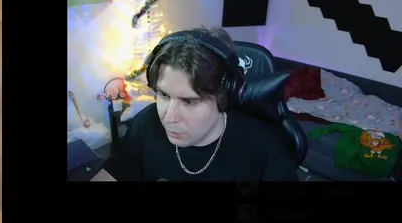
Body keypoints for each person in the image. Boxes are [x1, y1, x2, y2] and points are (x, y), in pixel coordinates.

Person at [92, 27, 298, 182]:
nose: (169, 118)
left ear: (223, 95)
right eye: (164, 95)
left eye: (189, 101)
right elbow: (115, 172)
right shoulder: (147, 121)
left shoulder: (264, 148)